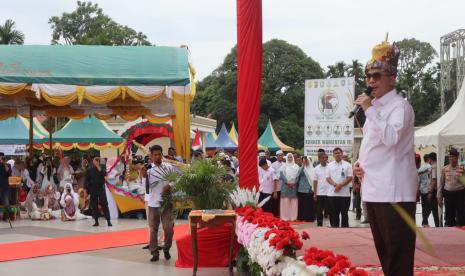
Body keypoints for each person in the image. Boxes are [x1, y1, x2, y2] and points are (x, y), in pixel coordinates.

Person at [353, 39, 417, 275]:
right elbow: (373, 147)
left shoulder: (400, 107)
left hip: (394, 191)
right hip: (374, 190)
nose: (371, 81)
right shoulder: (376, 108)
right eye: (368, 75)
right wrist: (358, 165)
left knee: (398, 255)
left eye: (377, 75)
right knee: (385, 253)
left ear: (392, 77)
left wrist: (369, 109)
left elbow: (391, 138)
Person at [146, 145, 175, 262]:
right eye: (155, 155)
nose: (158, 157)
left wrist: (169, 186)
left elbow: (175, 180)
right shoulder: (148, 170)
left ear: (162, 155)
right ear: (151, 156)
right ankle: (154, 252)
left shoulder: (168, 167)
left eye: (159, 154)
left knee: (169, 228)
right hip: (153, 203)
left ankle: (166, 248)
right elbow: (145, 185)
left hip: (166, 202)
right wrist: (143, 174)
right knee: (153, 229)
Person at [326, 147, 353, 227]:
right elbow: (328, 178)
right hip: (332, 194)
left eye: (339, 153)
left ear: (342, 154)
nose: (338, 154)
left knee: (344, 214)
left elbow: (350, 177)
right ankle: (335, 231)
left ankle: (345, 232)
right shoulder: (329, 165)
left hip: (344, 194)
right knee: (334, 214)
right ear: (333, 155)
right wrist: (335, 185)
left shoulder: (347, 165)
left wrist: (340, 185)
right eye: (336, 153)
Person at [438, 148, 465, 227]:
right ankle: (449, 230)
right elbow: (441, 183)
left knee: (461, 214)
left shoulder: (461, 168)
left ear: (457, 158)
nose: (451, 158)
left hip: (460, 194)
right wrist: (439, 196)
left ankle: (461, 231)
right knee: (449, 215)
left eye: (453, 156)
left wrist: (462, 175)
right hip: (448, 194)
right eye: (449, 156)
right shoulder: (444, 168)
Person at [85, 154, 111, 227]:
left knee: (104, 204)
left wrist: (98, 167)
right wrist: (86, 189)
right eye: (95, 160)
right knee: (94, 205)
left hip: (101, 188)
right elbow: (86, 180)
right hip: (93, 189)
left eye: (98, 160)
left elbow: (105, 175)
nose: (97, 161)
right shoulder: (89, 169)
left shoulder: (102, 168)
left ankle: (108, 220)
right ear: (93, 161)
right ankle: (96, 221)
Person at [279, 153, 299, 221]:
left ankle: (293, 217)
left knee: (293, 202)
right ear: (286, 158)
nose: (290, 158)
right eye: (288, 157)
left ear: (293, 158)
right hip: (285, 186)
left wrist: (293, 183)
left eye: (291, 157)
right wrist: (288, 183)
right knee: (285, 202)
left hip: (294, 186)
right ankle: (285, 217)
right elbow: (281, 176)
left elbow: (297, 176)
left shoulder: (296, 167)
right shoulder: (283, 166)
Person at [313, 150, 330, 226]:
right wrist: (315, 193)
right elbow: (315, 181)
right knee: (319, 211)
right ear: (319, 159)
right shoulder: (316, 169)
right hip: (320, 193)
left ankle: (332, 226)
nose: (324, 159)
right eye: (322, 158)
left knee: (329, 210)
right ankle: (319, 225)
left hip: (329, 193)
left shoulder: (330, 167)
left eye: (325, 158)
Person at [297, 156, 316, 221]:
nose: (305, 162)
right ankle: (302, 217)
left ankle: (309, 218)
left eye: (306, 160)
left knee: (309, 205)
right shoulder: (302, 168)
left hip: (310, 189)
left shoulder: (313, 169)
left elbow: (314, 180)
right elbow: (298, 174)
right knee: (302, 204)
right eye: (304, 161)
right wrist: (303, 165)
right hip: (301, 189)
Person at [418, 154, 434, 227]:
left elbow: (419, 180)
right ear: (429, 159)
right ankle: (424, 222)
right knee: (429, 207)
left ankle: (425, 222)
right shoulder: (430, 167)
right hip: (428, 190)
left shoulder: (420, 168)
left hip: (422, 190)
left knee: (424, 207)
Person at [270, 150, 285, 217]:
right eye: (279, 155)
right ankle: (275, 215)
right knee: (275, 201)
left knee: (282, 201)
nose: (280, 156)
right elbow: (273, 175)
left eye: (282, 155)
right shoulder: (273, 165)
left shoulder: (285, 164)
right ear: (276, 156)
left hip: (283, 186)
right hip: (276, 186)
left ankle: (282, 214)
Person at [427, 152, 440, 227]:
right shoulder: (437, 166)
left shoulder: (434, 167)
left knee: (434, 210)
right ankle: (437, 224)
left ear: (430, 159)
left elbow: (434, 180)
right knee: (434, 209)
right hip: (437, 190)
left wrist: (430, 192)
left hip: (434, 191)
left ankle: (437, 225)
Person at [0, 153, 11, 222]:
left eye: (2, 158)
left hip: (5, 186)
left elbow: (9, 173)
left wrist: (4, 164)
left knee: (6, 202)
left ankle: (7, 217)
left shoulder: (7, 165)